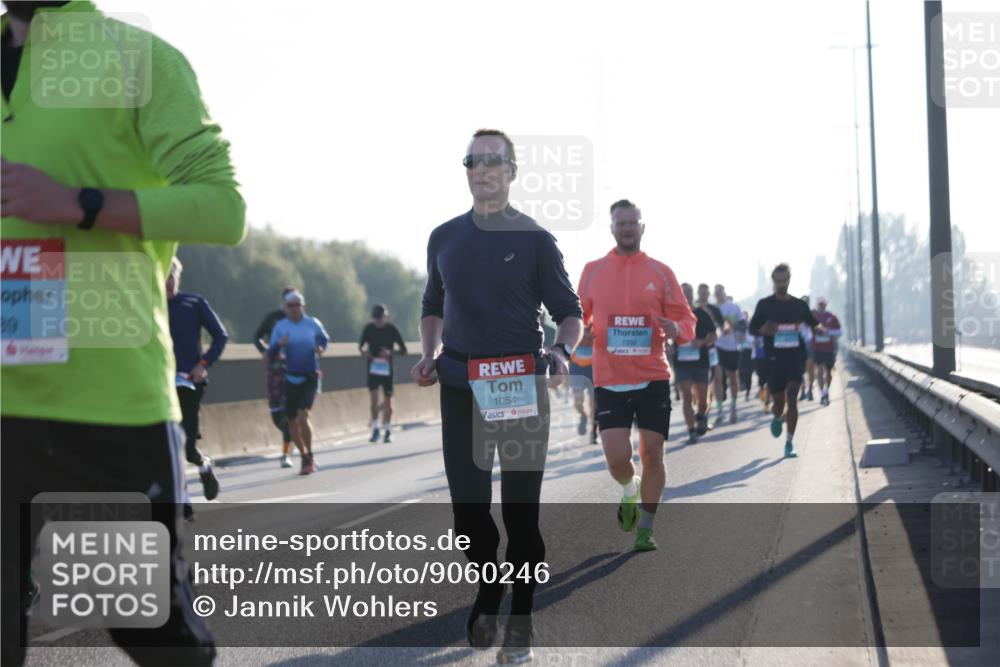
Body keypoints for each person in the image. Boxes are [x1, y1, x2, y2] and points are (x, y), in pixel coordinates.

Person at [1, 2, 244, 664]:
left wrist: (79, 203)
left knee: (150, 631)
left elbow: (223, 207)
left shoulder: (137, 58)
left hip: (105, 406)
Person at [412, 129, 582, 663]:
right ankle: (490, 586)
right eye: (473, 161)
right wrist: (428, 352)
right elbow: (433, 303)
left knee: (521, 516)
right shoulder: (443, 237)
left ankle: (522, 618)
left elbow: (569, 311)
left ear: (512, 171)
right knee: (468, 514)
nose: (481, 169)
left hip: (519, 384)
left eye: (493, 161)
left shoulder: (534, 239)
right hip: (460, 385)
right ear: (466, 171)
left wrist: (561, 352)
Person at [578, 199, 696, 552]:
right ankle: (630, 490)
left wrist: (676, 328)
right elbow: (575, 316)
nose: (627, 228)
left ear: (643, 227)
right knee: (617, 458)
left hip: (652, 375)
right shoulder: (593, 270)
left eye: (633, 222)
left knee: (653, 454)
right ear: (612, 228)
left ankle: (646, 527)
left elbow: (687, 320)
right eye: (621, 223)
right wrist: (582, 333)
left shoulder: (660, 272)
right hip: (610, 378)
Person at [166, 257, 227, 514]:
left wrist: (203, 364)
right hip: (159, 384)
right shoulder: (148, 305)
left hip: (190, 382)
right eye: (163, 275)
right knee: (168, 444)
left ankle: (203, 466)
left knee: (188, 448)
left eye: (172, 276)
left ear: (179, 277)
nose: (167, 281)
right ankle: (183, 502)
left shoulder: (194, 302)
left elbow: (221, 335)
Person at [749, 264, 824, 458]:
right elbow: (752, 328)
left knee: (792, 397)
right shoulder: (765, 305)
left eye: (784, 281)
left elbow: (813, 322)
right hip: (774, 358)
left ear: (789, 280)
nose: (781, 284)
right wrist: (764, 330)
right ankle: (776, 416)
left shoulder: (799, 305)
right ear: (773, 282)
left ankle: (789, 442)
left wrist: (819, 329)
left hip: (795, 357)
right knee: (779, 403)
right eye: (778, 281)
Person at [268, 290, 329, 476]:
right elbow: (270, 355)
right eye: (290, 305)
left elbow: (323, 339)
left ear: (303, 306)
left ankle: (309, 455)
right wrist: (279, 344)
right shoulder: (280, 327)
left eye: (297, 305)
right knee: (292, 421)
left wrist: (320, 347)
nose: (294, 309)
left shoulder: (312, 323)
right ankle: (303, 455)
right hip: (290, 377)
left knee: (303, 417)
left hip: (310, 376)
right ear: (285, 308)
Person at [254, 288, 297, 467]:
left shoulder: (301, 321)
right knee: (276, 416)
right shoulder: (272, 318)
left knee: (289, 413)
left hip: (294, 370)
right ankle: (293, 436)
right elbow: (257, 337)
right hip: (274, 370)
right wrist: (265, 352)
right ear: (282, 302)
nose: (292, 306)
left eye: (295, 303)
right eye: (288, 302)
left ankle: (286, 453)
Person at [671, 283, 717, 444]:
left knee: (703, 400)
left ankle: (701, 417)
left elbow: (714, 335)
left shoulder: (701, 313)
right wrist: (669, 346)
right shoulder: (673, 314)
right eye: (684, 292)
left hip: (701, 362)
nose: (687, 295)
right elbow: (664, 335)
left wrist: (703, 342)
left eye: (689, 292)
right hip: (682, 363)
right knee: (687, 397)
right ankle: (691, 431)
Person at [359, 304, 407, 443]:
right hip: (373, 368)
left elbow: (404, 350)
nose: (378, 321)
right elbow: (361, 345)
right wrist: (364, 352)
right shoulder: (369, 329)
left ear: (386, 316)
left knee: (387, 400)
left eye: (380, 318)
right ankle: (375, 428)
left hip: (387, 369)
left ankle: (387, 429)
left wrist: (390, 353)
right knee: (374, 397)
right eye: (376, 318)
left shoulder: (391, 329)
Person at [713, 284, 745, 423]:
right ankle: (720, 410)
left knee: (732, 377)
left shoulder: (734, 307)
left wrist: (734, 329)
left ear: (724, 293)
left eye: (721, 292)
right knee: (718, 378)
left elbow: (742, 324)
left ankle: (733, 407)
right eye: (716, 292)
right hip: (716, 346)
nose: (719, 294)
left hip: (732, 346)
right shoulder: (712, 309)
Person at [695, 284, 723, 426]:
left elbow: (720, 328)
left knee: (714, 379)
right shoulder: (692, 309)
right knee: (697, 386)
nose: (703, 295)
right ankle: (701, 413)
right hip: (693, 351)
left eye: (706, 292)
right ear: (698, 293)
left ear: (708, 293)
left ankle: (716, 410)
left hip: (711, 350)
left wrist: (712, 337)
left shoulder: (714, 310)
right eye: (701, 293)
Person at [811, 297, 843, 406]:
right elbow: (806, 329)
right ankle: (822, 393)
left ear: (825, 305)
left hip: (829, 348)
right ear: (817, 305)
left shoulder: (832, 317)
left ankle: (826, 390)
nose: (821, 306)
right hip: (817, 347)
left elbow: (839, 331)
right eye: (819, 304)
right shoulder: (813, 316)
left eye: (823, 304)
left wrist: (827, 332)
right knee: (819, 369)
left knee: (829, 372)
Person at [569, 323, 598, 444]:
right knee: (577, 402)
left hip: (593, 369)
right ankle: (583, 415)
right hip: (577, 369)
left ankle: (594, 432)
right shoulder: (573, 321)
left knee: (594, 404)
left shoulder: (596, 322)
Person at [800, 295, 816, 401]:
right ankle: (803, 391)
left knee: (810, 369)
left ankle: (810, 390)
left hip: (809, 343)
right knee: (799, 370)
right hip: (799, 344)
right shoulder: (795, 314)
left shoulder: (811, 314)